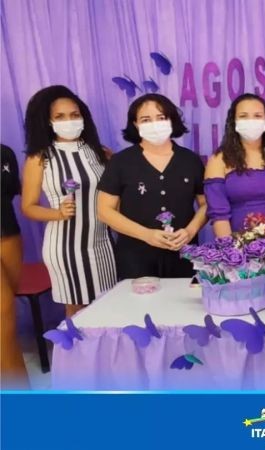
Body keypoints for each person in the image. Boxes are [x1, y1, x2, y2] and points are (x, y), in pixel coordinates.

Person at [21, 86, 117, 317]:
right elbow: (28, 207)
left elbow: (114, 194)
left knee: (108, 305)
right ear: (48, 122)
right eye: (60, 116)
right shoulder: (40, 157)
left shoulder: (100, 152)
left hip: (103, 242)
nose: (69, 121)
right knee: (77, 310)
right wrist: (58, 213)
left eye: (74, 115)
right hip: (66, 248)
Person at [98, 93, 207, 279]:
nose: (154, 124)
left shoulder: (190, 160)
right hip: (135, 257)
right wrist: (146, 234)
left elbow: (206, 204)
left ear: (171, 120)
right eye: (146, 120)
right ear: (135, 124)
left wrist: (190, 231)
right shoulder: (120, 162)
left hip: (184, 253)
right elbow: (104, 211)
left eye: (161, 117)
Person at [205, 93, 265, 236]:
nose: (251, 121)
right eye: (243, 116)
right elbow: (219, 215)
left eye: (257, 116)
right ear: (234, 121)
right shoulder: (219, 160)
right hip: (238, 243)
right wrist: (229, 248)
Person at [1, 144, 29, 388]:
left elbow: (9, 193)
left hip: (8, 235)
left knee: (6, 325)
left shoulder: (4, 153)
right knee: (4, 312)